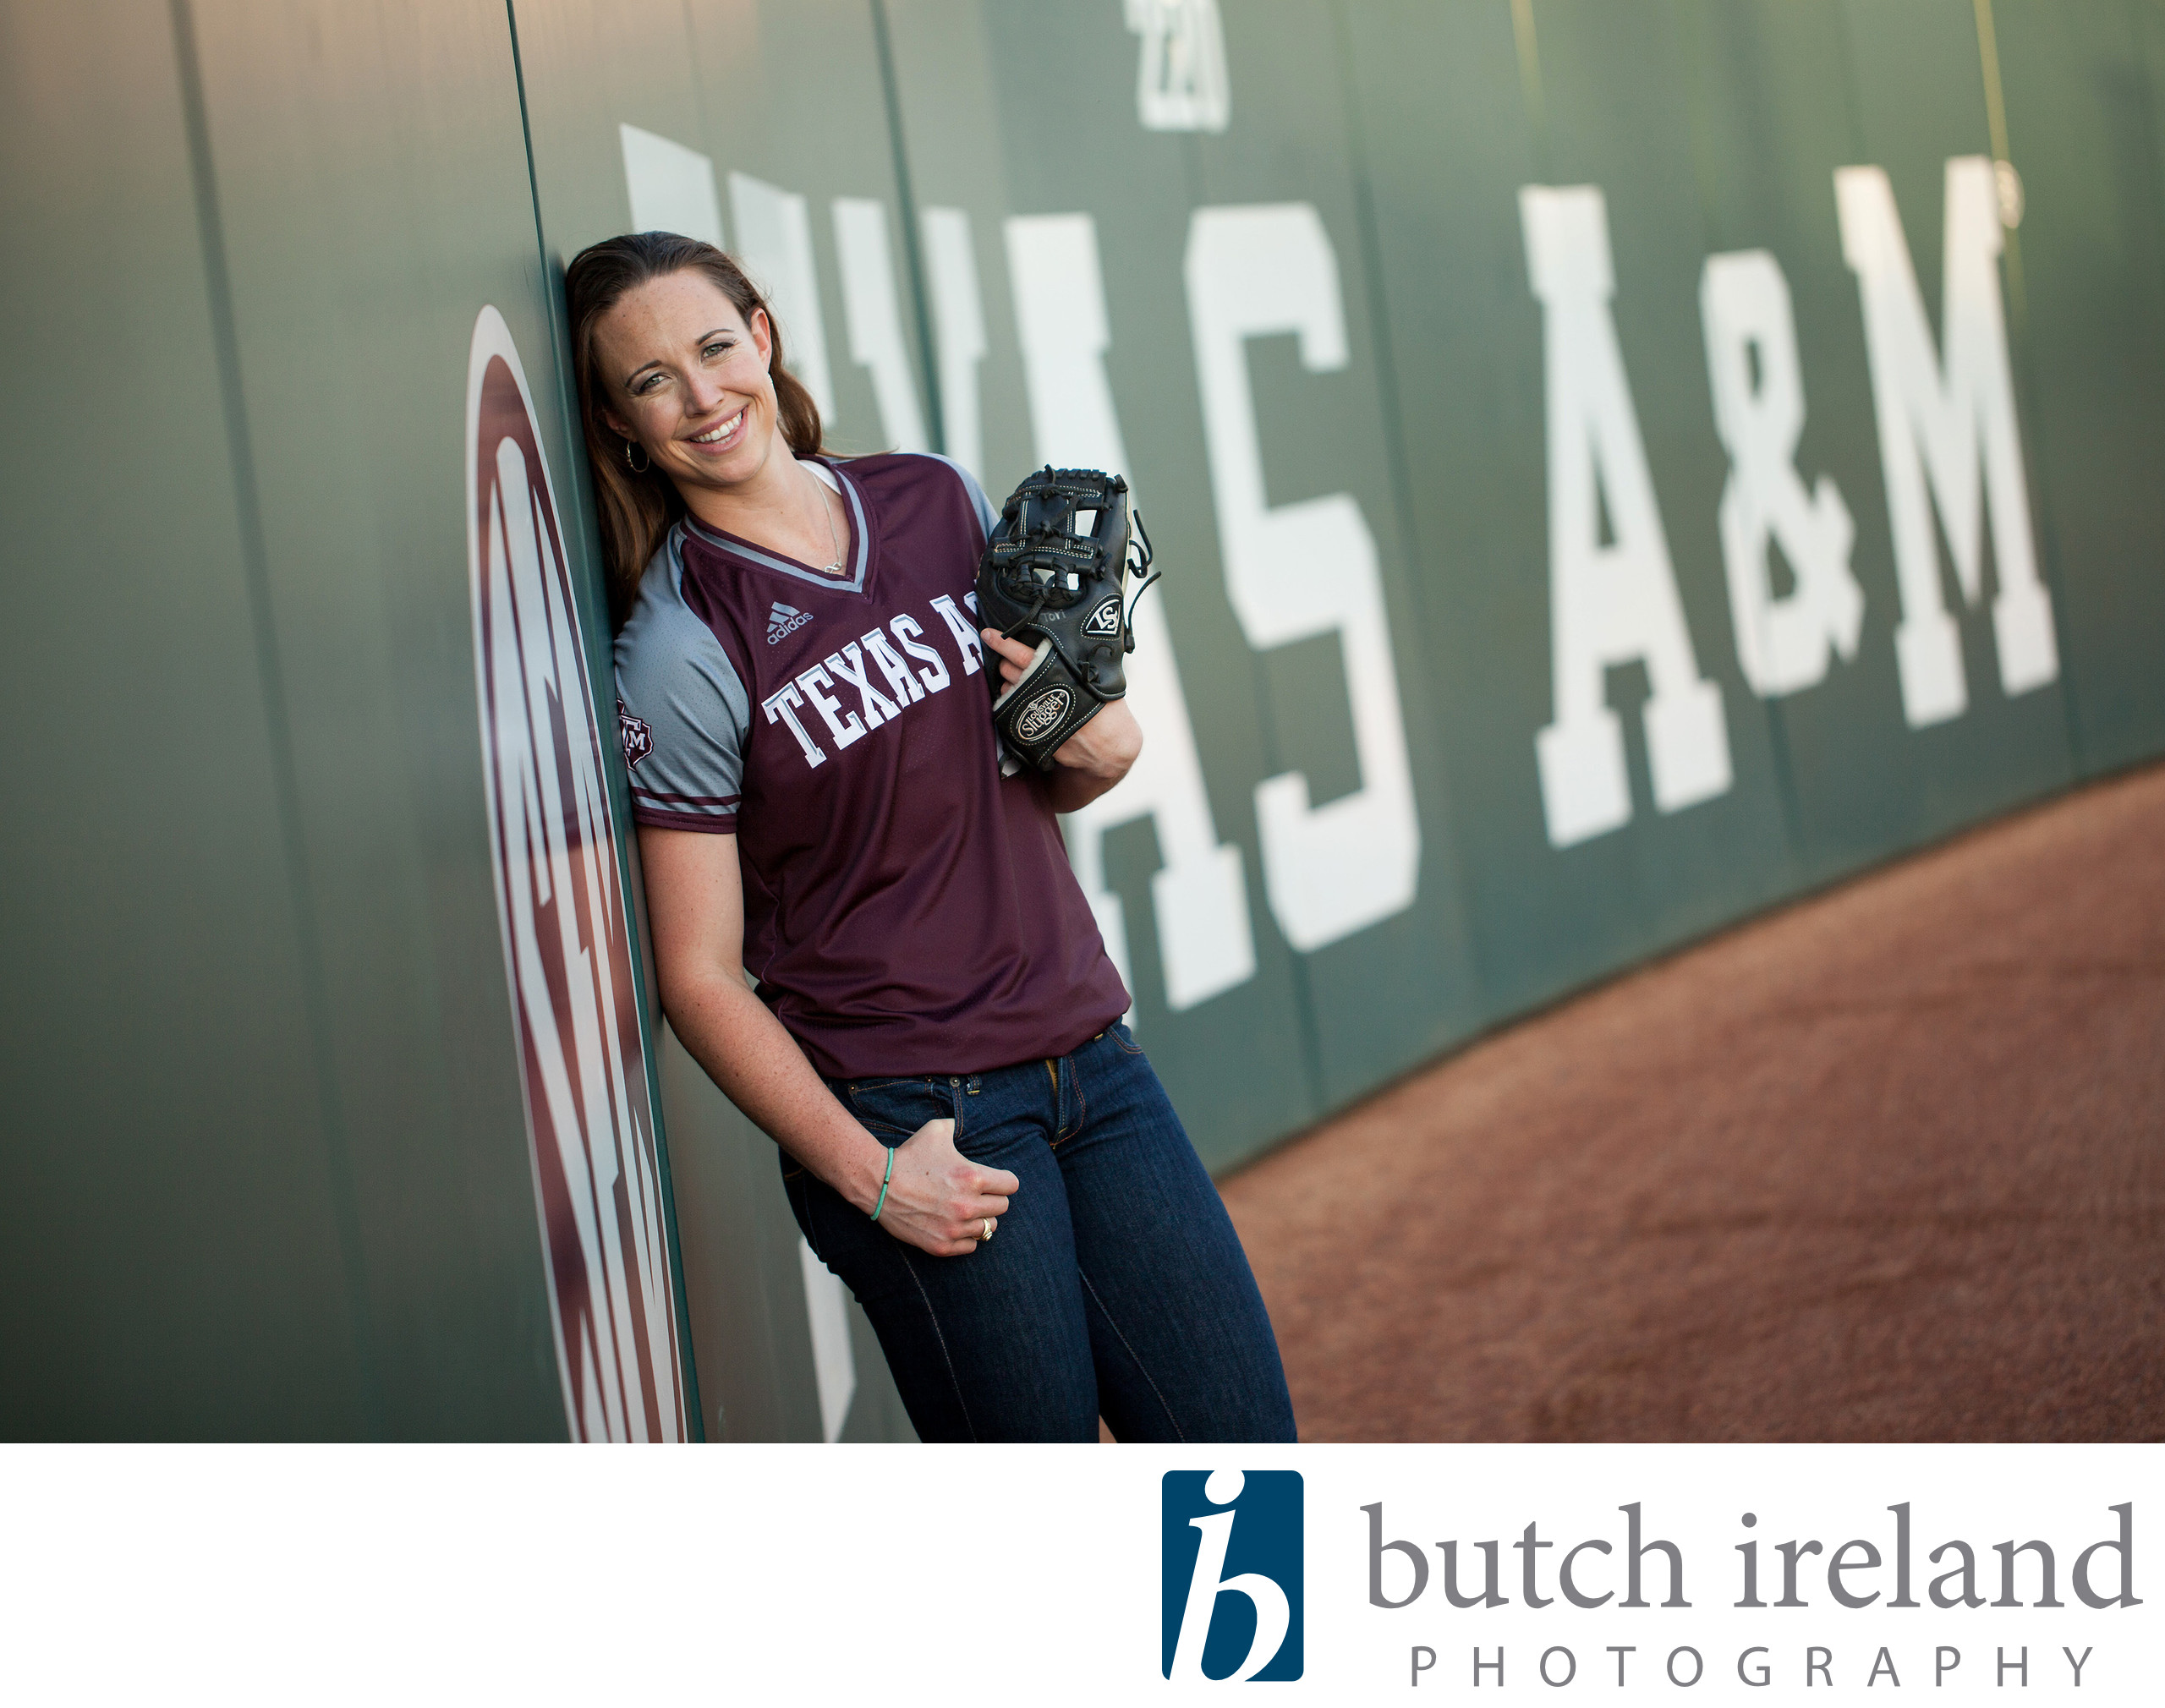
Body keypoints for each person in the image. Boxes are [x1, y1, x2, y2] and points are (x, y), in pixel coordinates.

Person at [567, 231, 1295, 1444]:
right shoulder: (682, 643)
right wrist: (872, 1177)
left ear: (763, 336)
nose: (700, 397)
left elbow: (1000, 787)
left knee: (1241, 1463)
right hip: (916, 1112)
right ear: (619, 424)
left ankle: (1252, 1654)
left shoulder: (931, 498)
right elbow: (697, 976)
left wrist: (1097, 755)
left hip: (1091, 1059)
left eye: (711, 348)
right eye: (652, 381)